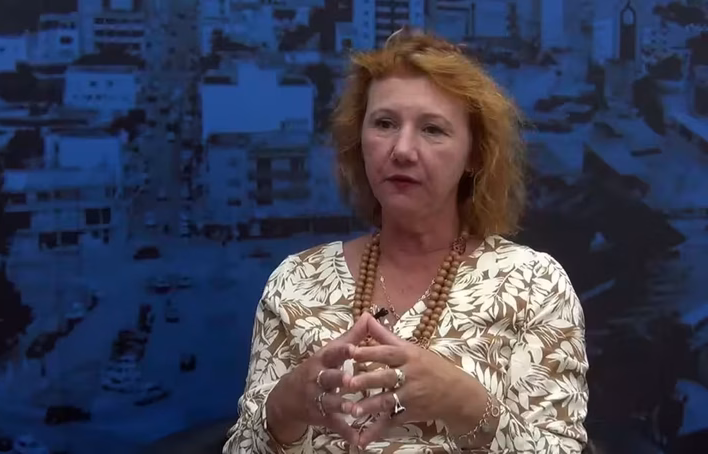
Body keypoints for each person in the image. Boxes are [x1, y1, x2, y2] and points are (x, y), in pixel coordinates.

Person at [223, 29, 588, 454]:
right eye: (384, 124)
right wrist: (283, 407)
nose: (402, 150)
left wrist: (466, 404)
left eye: (432, 129)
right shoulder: (295, 281)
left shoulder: (534, 285)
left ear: (474, 156)